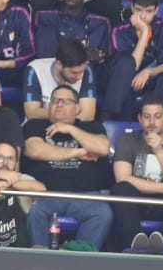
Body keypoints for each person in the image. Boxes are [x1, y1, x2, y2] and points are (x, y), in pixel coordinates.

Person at [23, 84, 114, 250]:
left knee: (103, 213)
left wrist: (71, 129)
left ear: (77, 108)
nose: (59, 104)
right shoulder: (34, 125)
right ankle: (39, 259)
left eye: (65, 101)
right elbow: (34, 150)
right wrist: (77, 153)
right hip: (45, 194)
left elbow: (102, 148)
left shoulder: (92, 127)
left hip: (86, 195)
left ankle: (78, 258)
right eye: (55, 100)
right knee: (32, 209)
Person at [111, 95, 163, 252]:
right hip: (137, 202)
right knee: (121, 189)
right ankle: (134, 241)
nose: (152, 122)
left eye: (157, 117)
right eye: (147, 116)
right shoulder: (126, 140)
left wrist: (159, 150)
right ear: (139, 119)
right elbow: (123, 178)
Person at [103, 0, 163, 120]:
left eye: (148, 11)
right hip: (123, 79)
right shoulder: (120, 30)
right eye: (138, 10)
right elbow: (131, 66)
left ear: (156, 10)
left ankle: (161, 123)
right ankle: (113, 122)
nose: (142, 16)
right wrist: (144, 32)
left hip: (151, 77)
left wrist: (148, 72)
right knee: (125, 70)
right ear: (132, 7)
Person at [32, 0, 111, 65]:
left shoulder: (100, 23)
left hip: (89, 76)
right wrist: (84, 54)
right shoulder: (45, 17)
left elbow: (101, 57)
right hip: (52, 75)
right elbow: (43, 57)